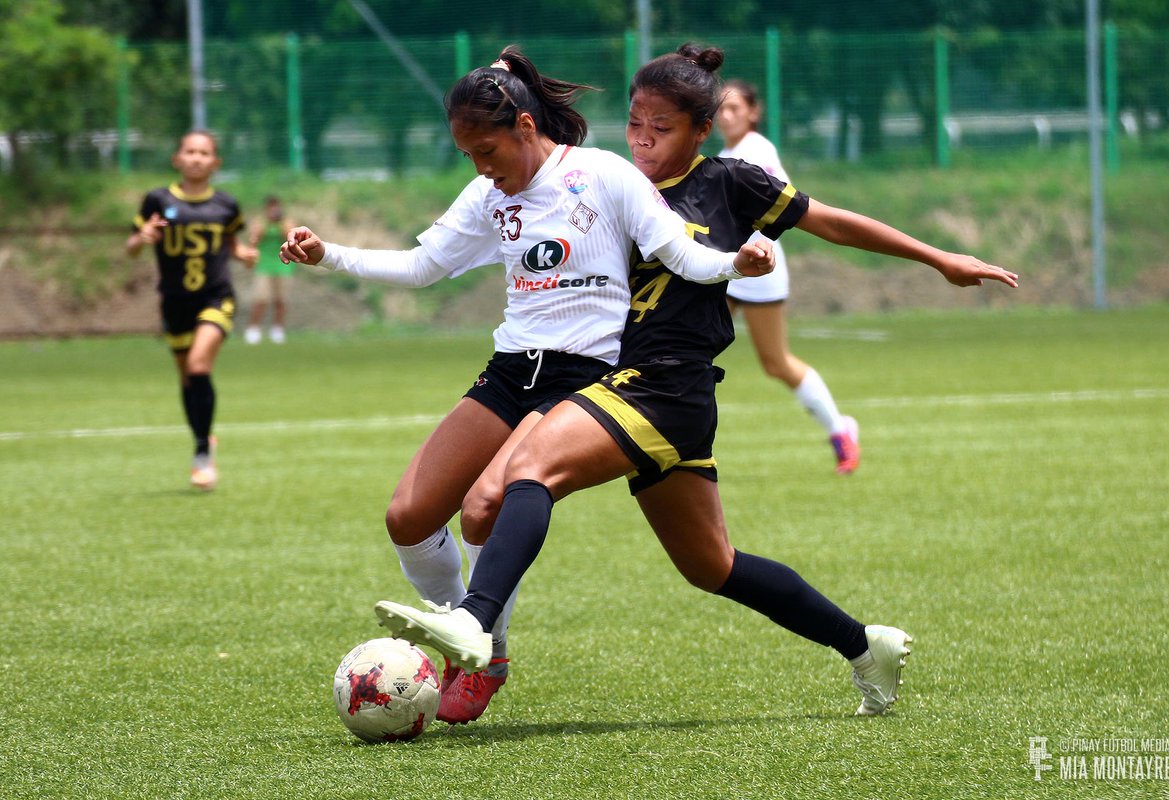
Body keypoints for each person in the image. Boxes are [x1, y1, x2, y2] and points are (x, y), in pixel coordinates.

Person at [375, 43, 1018, 721]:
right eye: (635, 125)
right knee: (713, 565)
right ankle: (866, 646)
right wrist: (508, 85)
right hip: (629, 386)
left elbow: (831, 221)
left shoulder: (730, 183)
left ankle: (476, 627)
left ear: (699, 131)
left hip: (664, 388)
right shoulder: (602, 181)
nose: (645, 140)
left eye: (663, 128)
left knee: (523, 475)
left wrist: (938, 257)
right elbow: (528, 155)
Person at [278, 47, 773, 724]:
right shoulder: (489, 193)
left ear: (523, 126)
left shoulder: (602, 175)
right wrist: (327, 254)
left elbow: (683, 254)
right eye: (468, 157)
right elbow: (426, 266)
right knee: (408, 518)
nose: (482, 169)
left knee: (486, 503)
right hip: (513, 369)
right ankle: (468, 632)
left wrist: (736, 264)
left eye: (488, 150)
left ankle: (484, 649)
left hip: (586, 375)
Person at [717, 79, 859, 474]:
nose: (725, 116)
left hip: (760, 268)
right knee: (690, 347)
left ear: (753, 112)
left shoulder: (756, 152)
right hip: (729, 267)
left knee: (776, 362)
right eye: (720, 109)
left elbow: (775, 210)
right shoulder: (727, 153)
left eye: (734, 108)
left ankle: (840, 429)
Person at [126, 130, 258, 491]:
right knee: (188, 378)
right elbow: (132, 246)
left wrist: (242, 253)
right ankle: (204, 439)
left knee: (200, 365)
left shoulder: (226, 205)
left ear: (215, 163)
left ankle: (202, 452)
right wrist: (142, 238)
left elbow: (230, 243)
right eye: (190, 151)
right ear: (177, 159)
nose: (197, 158)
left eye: (204, 152)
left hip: (215, 297)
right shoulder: (157, 199)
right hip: (174, 300)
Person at [244, 195, 295, 344]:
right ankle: (253, 329)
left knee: (281, 300)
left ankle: (277, 329)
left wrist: (279, 223)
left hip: (283, 266)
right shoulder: (260, 222)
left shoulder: (285, 222)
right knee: (261, 299)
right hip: (264, 265)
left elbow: (289, 237)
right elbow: (254, 238)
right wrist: (266, 224)